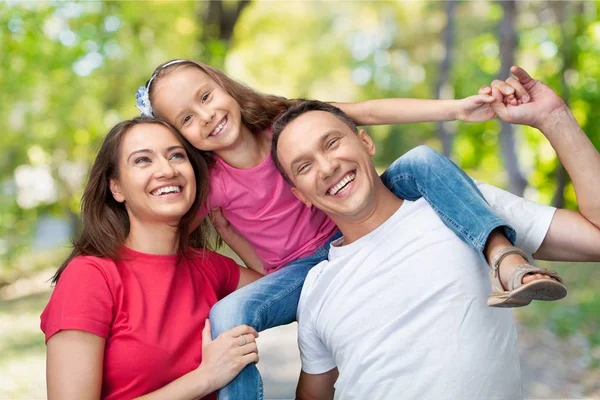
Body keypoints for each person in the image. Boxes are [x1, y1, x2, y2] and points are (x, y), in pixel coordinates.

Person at [137, 59, 563, 399]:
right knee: (227, 313)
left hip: (357, 216)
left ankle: (504, 259)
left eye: (206, 97)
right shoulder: (210, 183)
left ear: (224, 86)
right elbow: (163, 230)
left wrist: (454, 109)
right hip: (301, 272)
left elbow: (369, 112)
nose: (207, 116)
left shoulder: (284, 123)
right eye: (188, 119)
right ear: (183, 140)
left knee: (419, 161)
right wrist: (105, 266)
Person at [270, 66, 600, 399]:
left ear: (365, 141)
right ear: (300, 195)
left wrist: (554, 117)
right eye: (304, 166)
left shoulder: (464, 206)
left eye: (331, 143)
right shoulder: (315, 287)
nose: (327, 168)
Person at [40, 117, 263, 399]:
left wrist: (232, 235)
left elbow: (279, 288)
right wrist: (205, 377)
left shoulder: (206, 265)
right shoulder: (90, 275)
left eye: (176, 156)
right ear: (116, 188)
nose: (167, 170)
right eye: (143, 160)